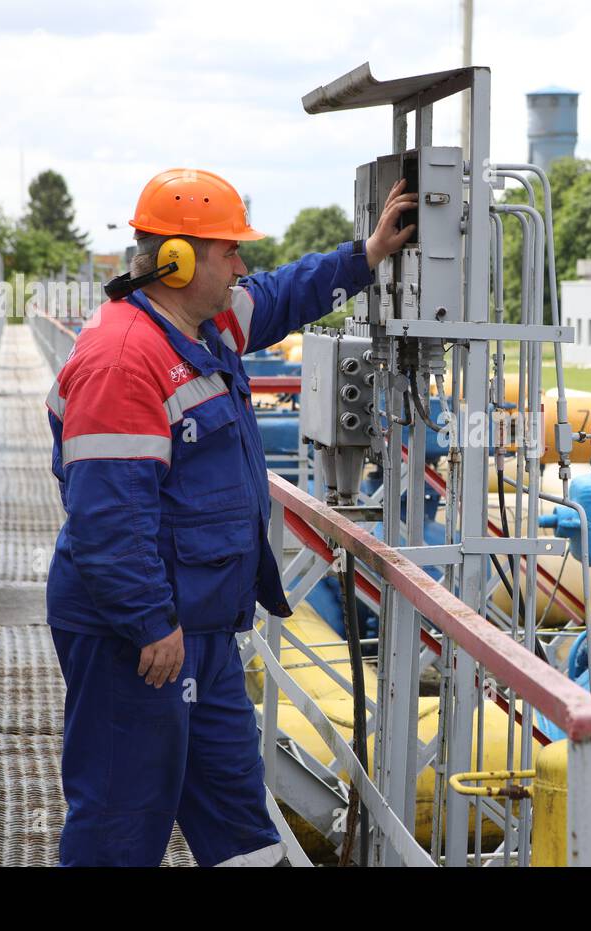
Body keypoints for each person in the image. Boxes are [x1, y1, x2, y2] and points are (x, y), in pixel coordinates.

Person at [44, 168, 415, 866]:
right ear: (178, 261)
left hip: (202, 632)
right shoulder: (126, 360)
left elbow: (276, 298)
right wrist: (150, 621)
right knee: (121, 821)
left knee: (241, 822)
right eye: (229, 253)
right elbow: (107, 516)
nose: (241, 266)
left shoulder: (201, 324)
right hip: (140, 641)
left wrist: (363, 257)